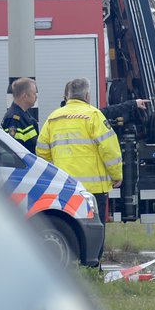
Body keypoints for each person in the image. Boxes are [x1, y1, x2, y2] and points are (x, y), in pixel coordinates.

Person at [37, 78, 123, 220]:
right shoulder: (93, 115)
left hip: (65, 187)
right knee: (94, 231)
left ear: (68, 96)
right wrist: (116, 175)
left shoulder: (53, 118)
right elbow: (109, 150)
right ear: (87, 96)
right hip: (93, 190)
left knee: (72, 230)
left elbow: (42, 151)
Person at [0, 77, 39, 147]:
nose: (36, 97)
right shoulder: (13, 120)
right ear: (25, 96)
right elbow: (15, 151)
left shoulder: (25, 115)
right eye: (34, 93)